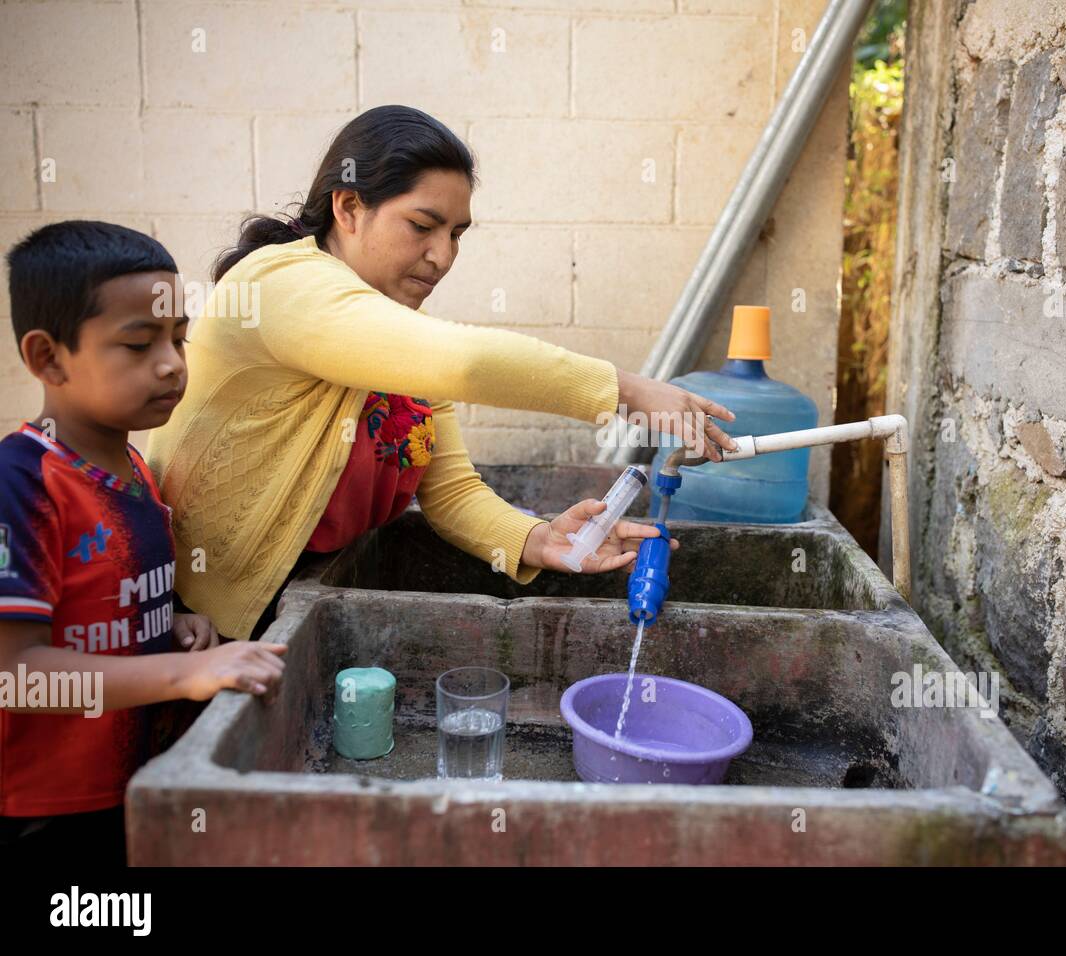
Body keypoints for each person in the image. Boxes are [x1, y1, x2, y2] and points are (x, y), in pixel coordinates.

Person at [147, 105, 739, 641]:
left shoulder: (398, 337)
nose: (444, 256)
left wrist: (539, 539)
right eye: (422, 226)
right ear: (349, 208)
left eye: (456, 234)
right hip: (194, 618)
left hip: (292, 606)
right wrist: (627, 391)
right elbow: (468, 362)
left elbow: (451, 492)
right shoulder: (277, 284)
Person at [0, 221, 287, 864]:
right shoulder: (21, 484)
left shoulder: (134, 471)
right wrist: (184, 672)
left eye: (178, 339)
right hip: (47, 814)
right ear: (48, 357)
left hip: (134, 782)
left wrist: (171, 626)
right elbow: (15, 675)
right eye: (138, 345)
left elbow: (96, 607)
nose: (170, 364)